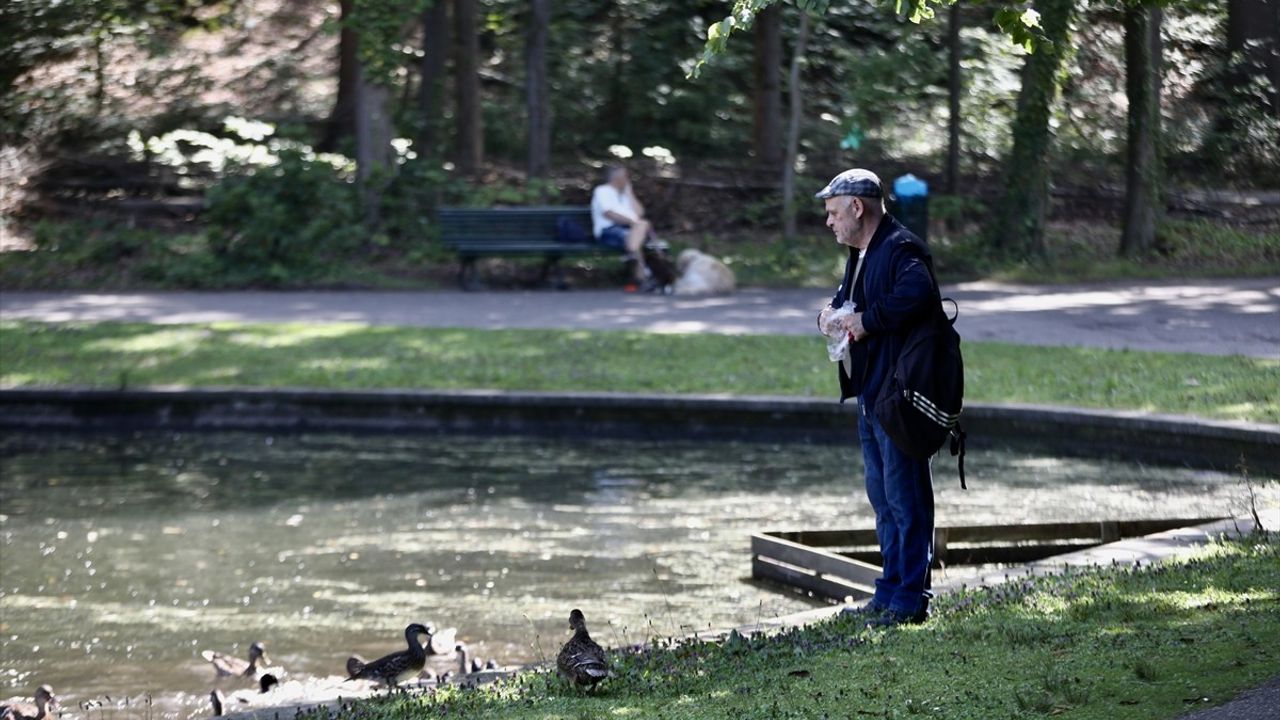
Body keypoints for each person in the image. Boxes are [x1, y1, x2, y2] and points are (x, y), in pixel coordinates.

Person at [815, 168, 938, 628]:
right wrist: (828, 315)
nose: (829, 222)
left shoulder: (901, 246)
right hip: (872, 393)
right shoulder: (861, 252)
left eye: (832, 212)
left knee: (906, 498)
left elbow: (918, 292)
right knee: (882, 497)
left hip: (899, 396)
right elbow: (846, 300)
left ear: (857, 207)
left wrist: (867, 321)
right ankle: (888, 592)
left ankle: (910, 598)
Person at [591, 166, 653, 286]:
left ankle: (632, 255)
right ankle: (641, 272)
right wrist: (632, 222)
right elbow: (609, 214)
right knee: (638, 232)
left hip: (630, 230)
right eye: (625, 176)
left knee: (642, 225)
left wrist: (630, 194)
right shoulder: (602, 191)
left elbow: (640, 213)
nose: (628, 179)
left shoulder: (625, 195)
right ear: (616, 178)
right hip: (609, 230)